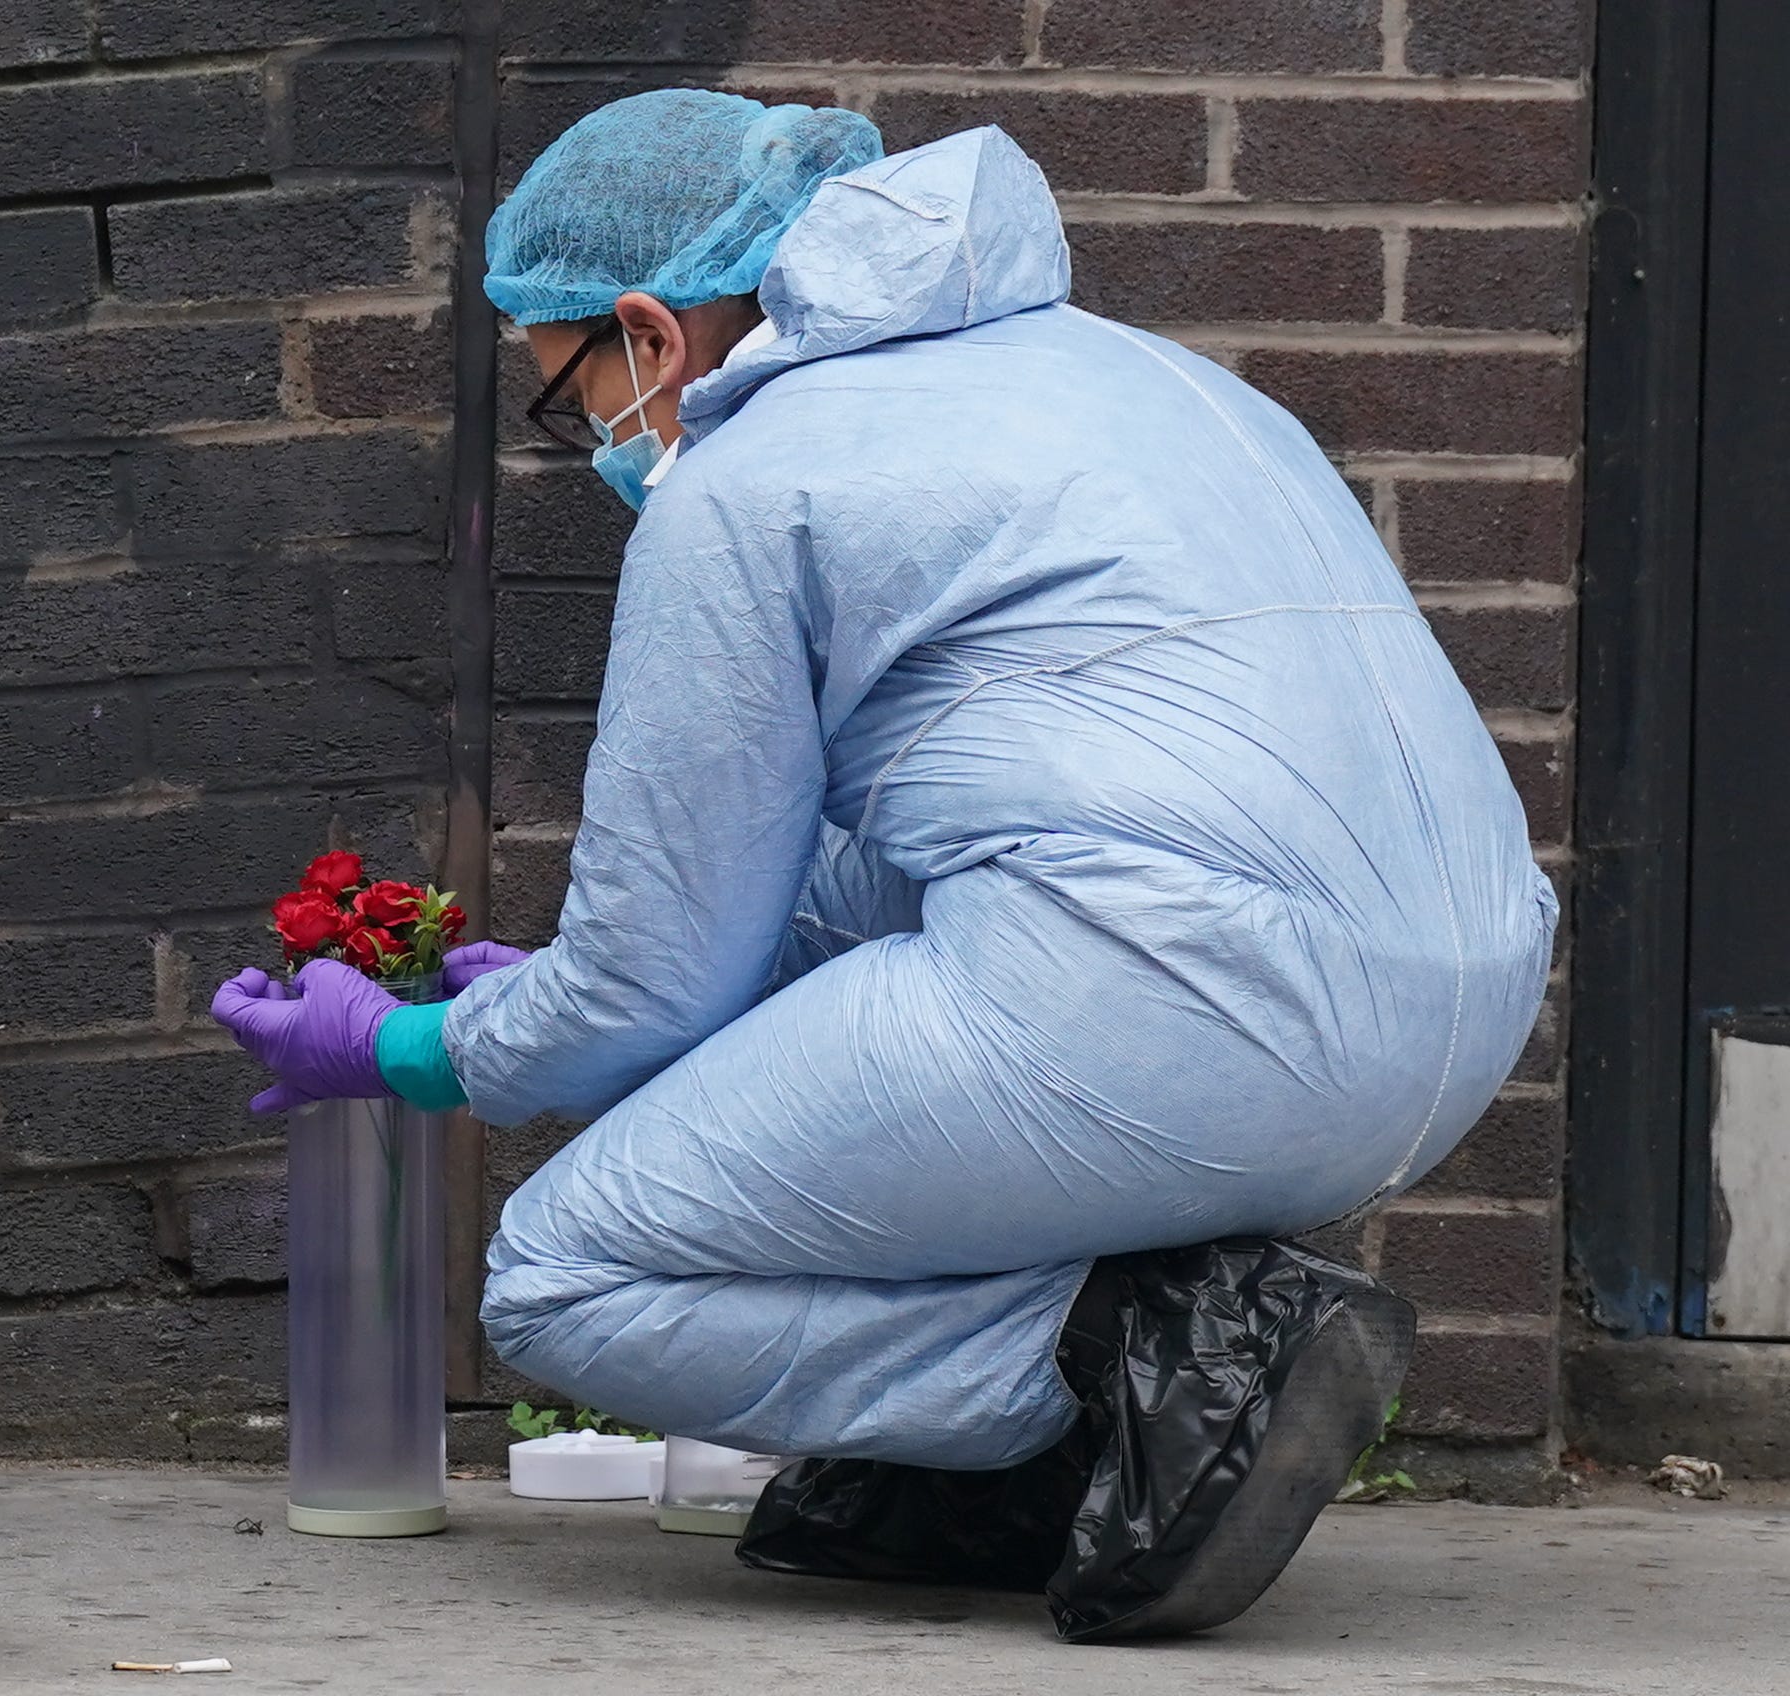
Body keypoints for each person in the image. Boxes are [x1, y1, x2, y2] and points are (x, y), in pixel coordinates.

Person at [213, 89, 1554, 1640]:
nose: (588, 437)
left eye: (568, 394)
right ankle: (1027, 1464)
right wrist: (639, 993)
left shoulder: (746, 478)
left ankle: (1136, 1359)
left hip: (1177, 1003)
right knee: (890, 978)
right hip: (1460, 1013)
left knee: (563, 1273)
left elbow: (655, 973)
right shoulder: (1164, 383)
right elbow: (868, 878)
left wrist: (410, 1047)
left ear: (648, 333)